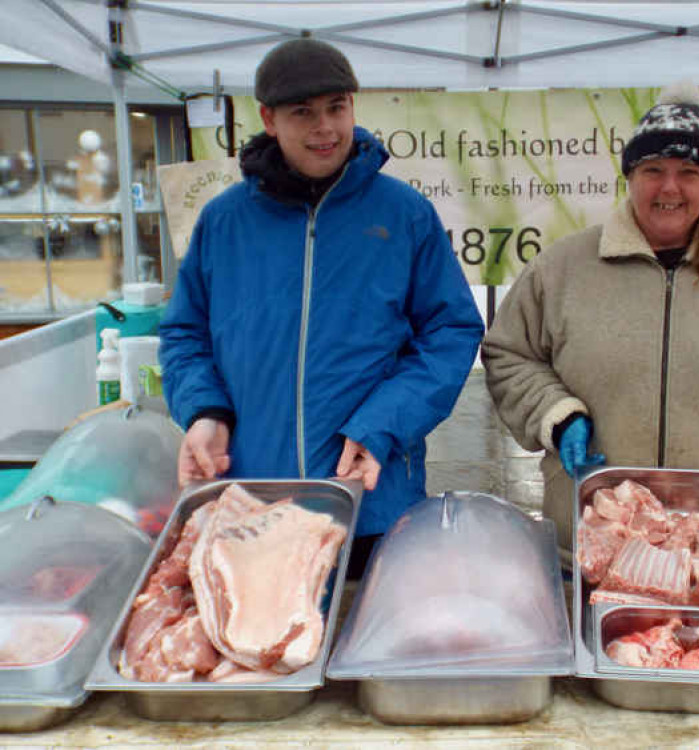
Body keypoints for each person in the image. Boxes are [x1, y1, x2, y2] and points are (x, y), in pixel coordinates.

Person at [159, 38, 484, 570]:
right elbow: (184, 335)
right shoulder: (224, 221)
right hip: (254, 498)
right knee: (268, 646)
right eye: (303, 113)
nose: (325, 128)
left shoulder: (404, 214)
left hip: (371, 497)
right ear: (268, 118)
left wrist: (381, 424)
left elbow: (450, 333)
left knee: (368, 641)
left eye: (337, 108)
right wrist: (205, 412)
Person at [481, 86, 699, 561]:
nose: (669, 189)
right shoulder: (563, 267)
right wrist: (556, 416)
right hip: (593, 534)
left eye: (688, 173)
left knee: (698, 640)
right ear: (630, 177)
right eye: (653, 171)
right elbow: (509, 353)